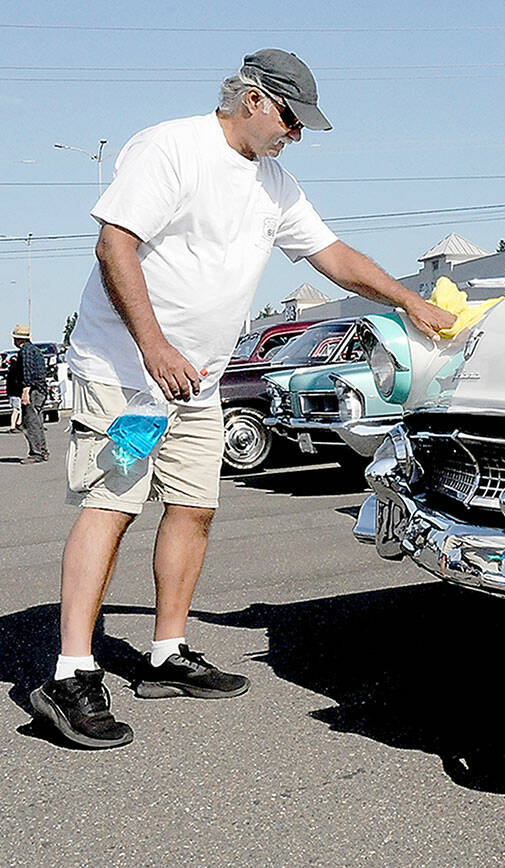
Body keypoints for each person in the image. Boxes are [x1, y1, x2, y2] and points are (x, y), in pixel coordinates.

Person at [28, 49, 456, 750]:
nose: (297, 134)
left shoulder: (275, 185)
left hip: (197, 381)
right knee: (112, 507)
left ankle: (166, 654)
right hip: (126, 375)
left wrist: (409, 300)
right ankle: (71, 674)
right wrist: (155, 348)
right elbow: (115, 247)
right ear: (253, 99)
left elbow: (333, 255)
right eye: (291, 118)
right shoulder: (173, 147)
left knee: (194, 508)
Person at [11, 325, 48, 462]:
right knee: (38, 421)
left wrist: (25, 390)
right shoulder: (36, 350)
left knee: (31, 422)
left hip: (33, 390)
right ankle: (43, 451)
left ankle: (36, 453)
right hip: (40, 389)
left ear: (18, 339)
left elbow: (27, 371)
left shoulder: (25, 351)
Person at [4, 347, 22, 432]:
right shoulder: (16, 372)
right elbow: (17, 383)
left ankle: (18, 423)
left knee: (18, 409)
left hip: (11, 393)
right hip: (16, 393)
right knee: (16, 410)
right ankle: (13, 426)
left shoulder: (9, 372)